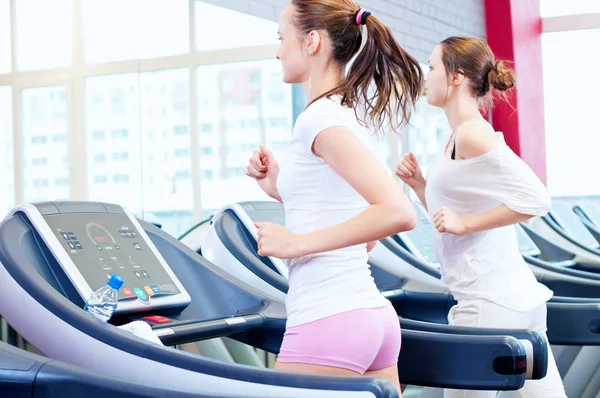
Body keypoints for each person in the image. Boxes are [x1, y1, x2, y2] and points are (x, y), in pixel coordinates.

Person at [245, 0, 423, 394]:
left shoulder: (318, 119)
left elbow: (398, 211)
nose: (277, 51)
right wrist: (280, 186)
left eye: (281, 38)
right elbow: (364, 229)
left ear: (311, 42)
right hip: (369, 318)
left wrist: (297, 244)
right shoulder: (349, 114)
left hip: (329, 321)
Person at [395, 36, 566, 398]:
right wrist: (421, 186)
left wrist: (466, 223)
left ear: (455, 77)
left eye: (431, 67)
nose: (425, 76)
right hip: (516, 300)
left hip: (487, 307)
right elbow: (451, 220)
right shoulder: (457, 137)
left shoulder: (472, 133)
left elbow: (536, 199)